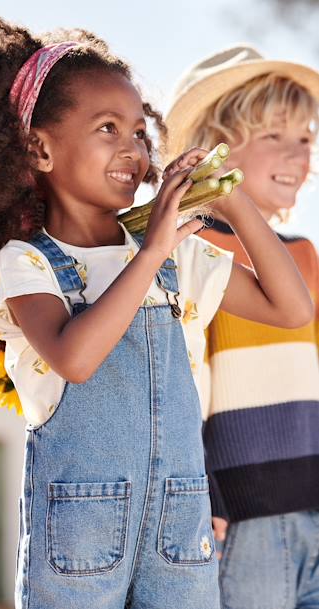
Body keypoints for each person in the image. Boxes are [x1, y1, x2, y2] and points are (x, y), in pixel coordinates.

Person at [0, 17, 313, 608]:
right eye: (107, 128)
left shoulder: (178, 254)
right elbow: (75, 357)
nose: (133, 149)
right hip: (80, 537)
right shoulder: (27, 264)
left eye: (141, 131)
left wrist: (236, 205)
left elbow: (292, 308)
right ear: (39, 149)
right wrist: (154, 251)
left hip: (181, 528)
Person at [165, 45, 319, 609]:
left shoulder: (303, 256)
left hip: (312, 510)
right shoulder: (186, 249)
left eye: (305, 138)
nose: (298, 154)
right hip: (239, 518)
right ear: (217, 149)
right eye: (274, 135)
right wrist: (196, 496)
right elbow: (178, 384)